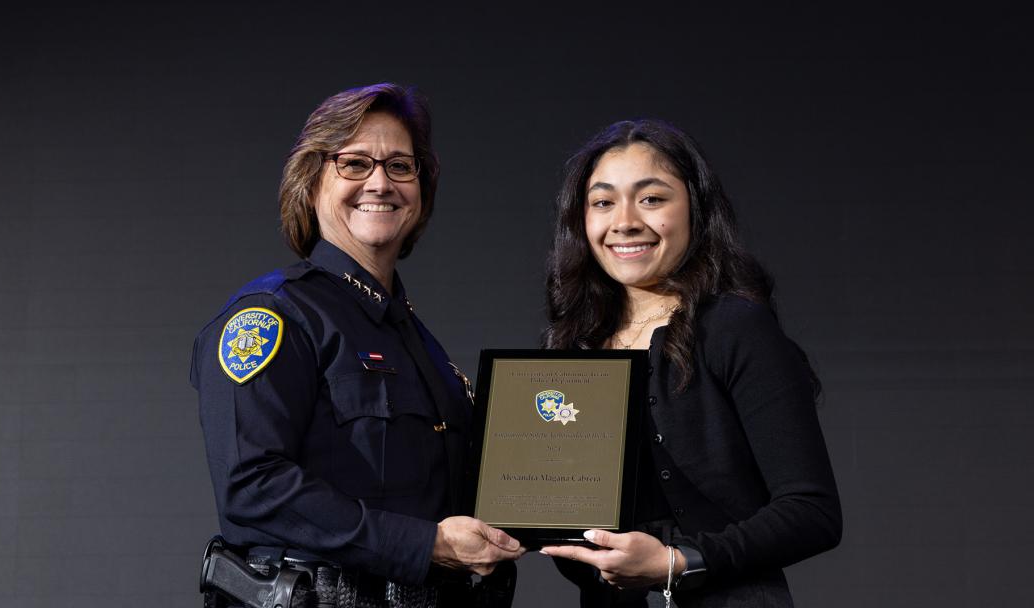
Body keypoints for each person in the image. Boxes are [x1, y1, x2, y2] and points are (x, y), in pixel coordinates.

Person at [190, 83, 523, 608]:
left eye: (400, 166)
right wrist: (427, 545)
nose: (380, 182)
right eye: (355, 163)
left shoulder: (420, 343)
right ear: (312, 181)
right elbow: (253, 486)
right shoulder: (272, 317)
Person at [539, 120, 841, 607]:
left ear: (695, 211)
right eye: (602, 201)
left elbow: (812, 512)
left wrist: (677, 563)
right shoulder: (576, 349)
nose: (625, 221)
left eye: (652, 199)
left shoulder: (736, 328)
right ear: (581, 220)